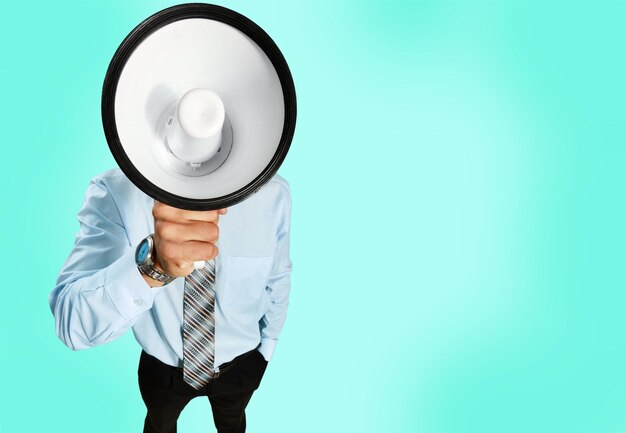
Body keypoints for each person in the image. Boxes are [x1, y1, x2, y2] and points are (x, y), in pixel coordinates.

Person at [49, 168, 293, 433]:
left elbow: (278, 276)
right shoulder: (117, 191)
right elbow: (71, 323)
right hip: (163, 367)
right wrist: (153, 265)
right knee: (159, 425)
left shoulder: (274, 193)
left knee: (233, 424)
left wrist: (266, 350)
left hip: (240, 365)